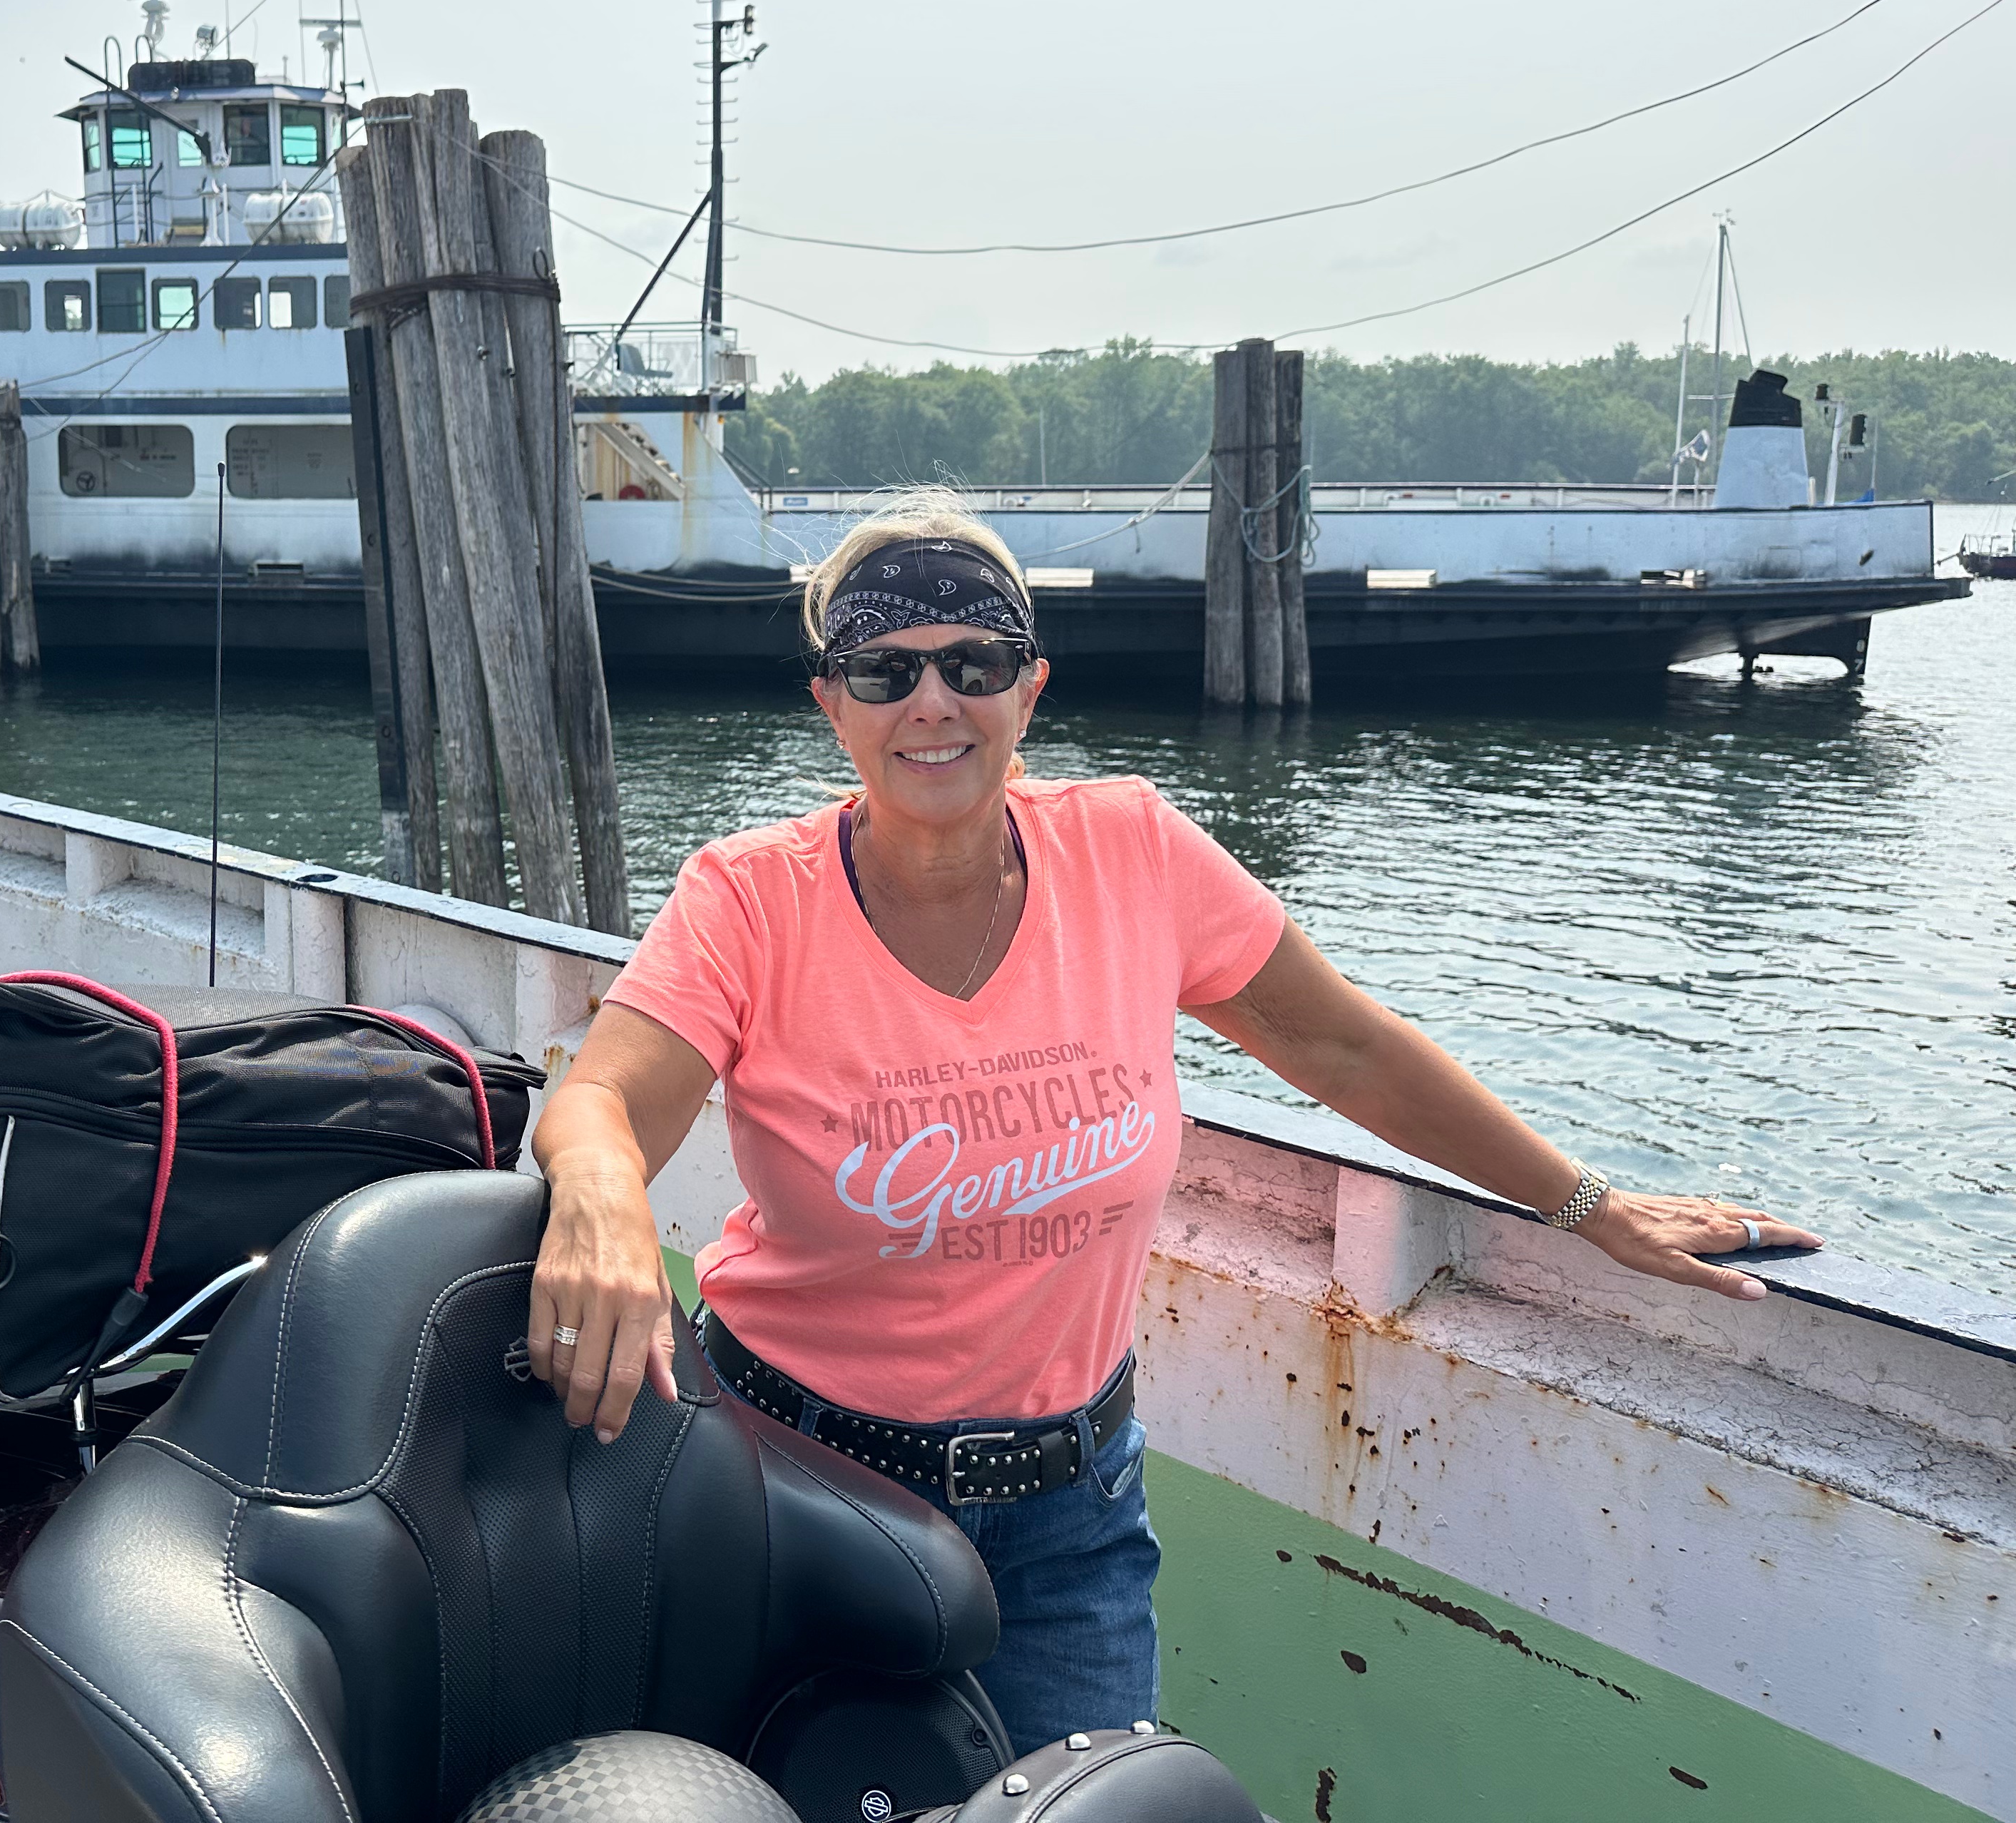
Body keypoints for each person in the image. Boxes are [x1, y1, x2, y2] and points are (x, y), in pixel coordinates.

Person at [526, 494, 1819, 1754]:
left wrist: (1586, 1202)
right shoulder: (751, 898)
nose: (932, 699)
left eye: (973, 661)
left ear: (1028, 689)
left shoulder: (1130, 850)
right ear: (831, 703)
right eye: (884, 669)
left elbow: (1344, 1045)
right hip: (799, 1490)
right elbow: (603, 1100)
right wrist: (600, 1193)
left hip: (1069, 1510)